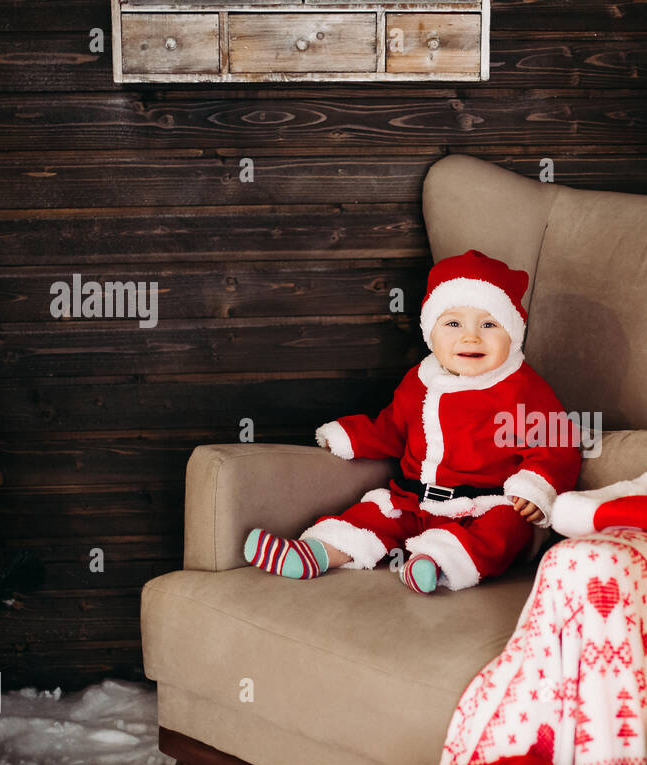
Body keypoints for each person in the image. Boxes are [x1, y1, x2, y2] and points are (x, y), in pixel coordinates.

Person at [244, 249, 582, 593]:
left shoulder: (521, 388)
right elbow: (392, 428)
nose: (470, 337)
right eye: (453, 323)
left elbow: (556, 444)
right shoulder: (419, 380)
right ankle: (316, 552)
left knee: (505, 529)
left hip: (483, 505)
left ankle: (435, 565)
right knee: (373, 516)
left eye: (489, 324)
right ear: (429, 333)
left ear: (512, 335)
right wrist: (352, 436)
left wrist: (535, 488)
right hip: (415, 499)